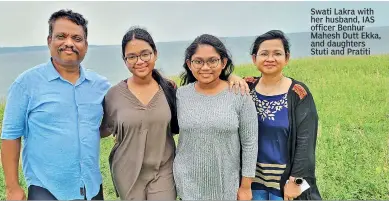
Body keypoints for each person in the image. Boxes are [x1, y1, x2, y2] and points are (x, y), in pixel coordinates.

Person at [99, 27, 249, 200]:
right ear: (124, 60)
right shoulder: (114, 94)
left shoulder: (169, 89)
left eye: (145, 54)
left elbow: (203, 90)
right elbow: (102, 129)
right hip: (127, 172)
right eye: (131, 56)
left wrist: (230, 77)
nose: (139, 61)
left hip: (164, 170)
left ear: (155, 54)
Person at [0, 9, 110, 200]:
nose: (69, 43)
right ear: (49, 40)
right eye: (61, 36)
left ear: (85, 44)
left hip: (91, 187)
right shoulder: (26, 84)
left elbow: (123, 106)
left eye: (77, 38)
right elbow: (10, 135)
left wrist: (160, 84)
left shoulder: (100, 85)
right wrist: (12, 187)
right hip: (47, 189)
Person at [172, 34, 259, 200]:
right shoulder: (180, 95)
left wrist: (246, 186)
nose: (205, 67)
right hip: (188, 185)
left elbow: (250, 142)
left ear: (223, 62)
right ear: (189, 64)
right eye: (198, 61)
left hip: (226, 186)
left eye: (212, 60)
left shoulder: (239, 94)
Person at [243, 30, 321, 200]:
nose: (270, 58)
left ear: (287, 58)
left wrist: (296, 181)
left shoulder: (298, 93)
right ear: (254, 58)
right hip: (251, 183)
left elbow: (305, 141)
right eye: (264, 53)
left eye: (277, 53)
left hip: (284, 184)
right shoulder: (246, 87)